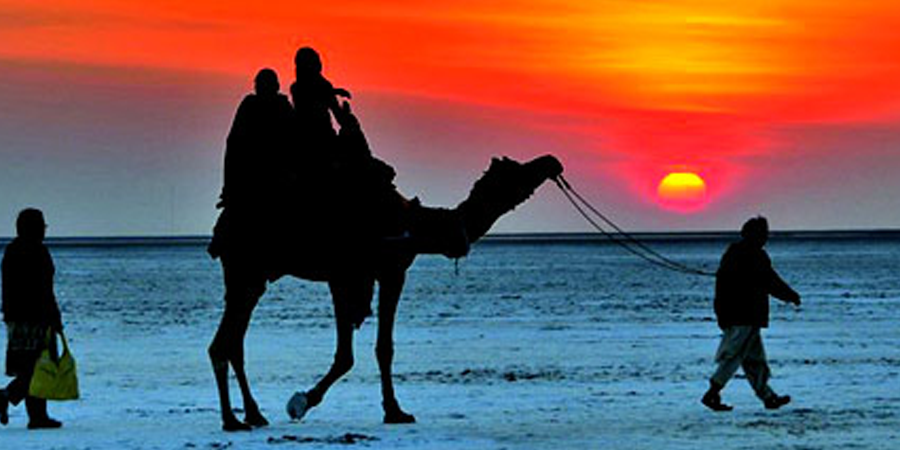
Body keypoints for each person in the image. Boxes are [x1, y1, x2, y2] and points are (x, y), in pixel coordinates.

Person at [207, 68, 294, 431]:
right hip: (255, 201)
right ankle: (231, 412)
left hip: (259, 199)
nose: (265, 91)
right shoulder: (255, 109)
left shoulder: (277, 108)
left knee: (239, 314)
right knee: (235, 318)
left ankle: (244, 407)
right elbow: (236, 147)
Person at [701, 216, 801, 412]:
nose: (766, 238)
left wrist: (720, 312)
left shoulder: (733, 254)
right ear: (754, 235)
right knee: (734, 356)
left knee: (754, 360)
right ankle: (712, 393)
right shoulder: (755, 256)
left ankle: (768, 397)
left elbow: (721, 286)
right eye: (763, 234)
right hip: (745, 316)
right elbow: (770, 281)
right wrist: (790, 295)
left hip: (739, 316)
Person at [0, 208, 64, 429]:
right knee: (38, 367)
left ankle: (37, 416)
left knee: (30, 367)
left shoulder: (11, 250)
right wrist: (54, 317)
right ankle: (9, 397)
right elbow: (44, 289)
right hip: (37, 318)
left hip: (16, 318)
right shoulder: (38, 252)